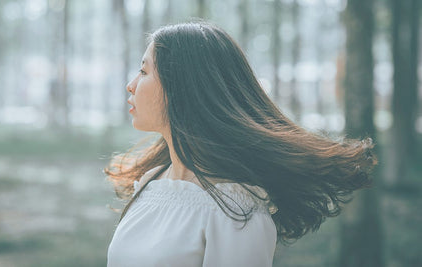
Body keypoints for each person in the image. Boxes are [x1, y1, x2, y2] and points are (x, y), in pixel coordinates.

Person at [105, 21, 377, 267]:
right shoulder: (151, 183)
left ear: (184, 87)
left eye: (143, 71)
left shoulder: (235, 212)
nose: (131, 85)